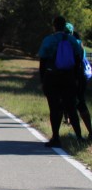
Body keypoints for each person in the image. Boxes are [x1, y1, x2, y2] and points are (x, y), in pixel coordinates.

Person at [38, 16, 85, 147]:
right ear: (64, 26)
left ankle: (56, 137)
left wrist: (42, 80)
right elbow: (78, 59)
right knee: (71, 107)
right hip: (68, 77)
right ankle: (79, 136)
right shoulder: (71, 40)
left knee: (54, 108)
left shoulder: (48, 40)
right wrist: (76, 78)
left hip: (52, 76)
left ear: (54, 26)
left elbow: (43, 61)